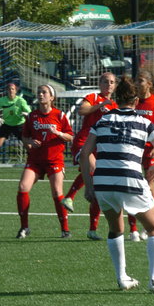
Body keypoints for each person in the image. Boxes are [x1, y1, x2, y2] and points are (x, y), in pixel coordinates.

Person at [80, 75, 154, 293]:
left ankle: (122, 278)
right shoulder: (144, 122)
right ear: (136, 101)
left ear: (116, 100)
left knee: (115, 229)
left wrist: (89, 186)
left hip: (103, 182)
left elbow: (84, 154)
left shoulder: (102, 121)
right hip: (130, 180)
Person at [61, 72, 117, 240]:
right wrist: (100, 105)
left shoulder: (115, 105)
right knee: (93, 167)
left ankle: (92, 230)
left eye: (112, 82)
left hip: (101, 146)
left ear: (115, 86)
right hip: (84, 142)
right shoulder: (93, 97)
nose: (108, 85)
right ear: (100, 84)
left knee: (98, 187)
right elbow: (82, 110)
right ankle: (69, 197)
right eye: (105, 81)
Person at [16, 84, 74, 239]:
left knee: (56, 192)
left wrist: (58, 133)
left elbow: (70, 136)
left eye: (44, 92)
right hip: (35, 160)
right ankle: (24, 227)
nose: (41, 95)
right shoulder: (32, 116)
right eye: (39, 92)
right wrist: (29, 142)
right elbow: (25, 137)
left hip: (54, 160)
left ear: (52, 97)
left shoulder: (60, 115)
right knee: (23, 187)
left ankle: (65, 229)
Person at [128, 70, 154, 242]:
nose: (137, 84)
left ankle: (148, 226)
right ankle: (133, 229)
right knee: (132, 187)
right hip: (134, 150)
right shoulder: (133, 101)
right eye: (136, 81)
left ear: (149, 84)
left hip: (151, 151)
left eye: (141, 81)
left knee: (149, 187)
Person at [0, 81, 31, 174]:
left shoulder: (21, 101)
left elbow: (30, 113)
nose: (11, 91)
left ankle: (32, 164)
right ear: (6, 91)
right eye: (9, 89)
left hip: (19, 125)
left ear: (16, 90)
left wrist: (26, 114)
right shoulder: (2, 100)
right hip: (7, 125)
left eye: (12, 89)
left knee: (29, 146)